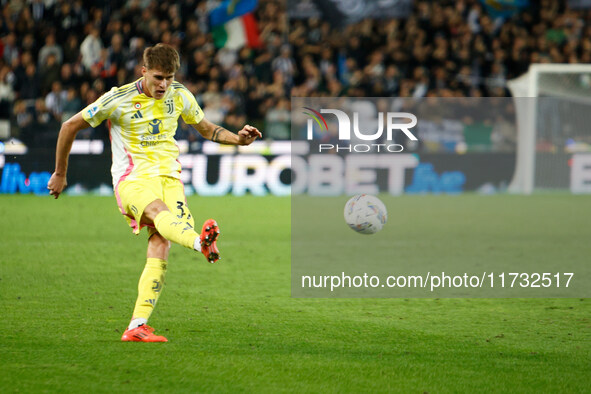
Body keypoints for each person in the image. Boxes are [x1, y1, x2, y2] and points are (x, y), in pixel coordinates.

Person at [47, 44, 262, 343]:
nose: (164, 84)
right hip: (133, 179)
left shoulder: (180, 94)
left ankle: (137, 325)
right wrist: (60, 173)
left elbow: (207, 128)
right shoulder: (118, 98)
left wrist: (238, 140)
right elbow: (69, 126)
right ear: (144, 71)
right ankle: (201, 242)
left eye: (170, 78)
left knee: (162, 241)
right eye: (159, 77)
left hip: (170, 178)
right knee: (161, 214)